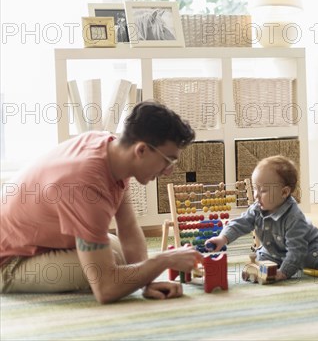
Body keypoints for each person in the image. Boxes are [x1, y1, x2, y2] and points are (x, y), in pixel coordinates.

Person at [1, 101, 203, 303]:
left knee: (121, 257)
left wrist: (147, 282)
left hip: (41, 240)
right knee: (112, 265)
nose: (169, 171)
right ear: (141, 150)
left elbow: (128, 226)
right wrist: (162, 261)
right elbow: (105, 289)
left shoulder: (112, 151)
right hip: (11, 261)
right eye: (168, 161)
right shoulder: (85, 184)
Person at [207, 155, 318, 281]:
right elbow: (240, 223)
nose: (256, 195)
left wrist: (284, 273)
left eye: (263, 190)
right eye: (255, 188)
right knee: (261, 259)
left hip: (306, 244)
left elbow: (296, 249)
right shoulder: (257, 208)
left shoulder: (294, 218)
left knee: (308, 261)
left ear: (284, 192)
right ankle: (273, 263)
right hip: (275, 248)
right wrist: (223, 238)